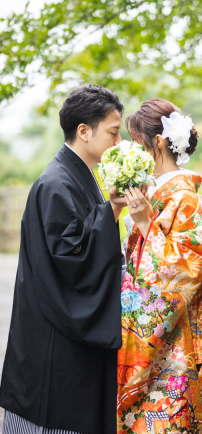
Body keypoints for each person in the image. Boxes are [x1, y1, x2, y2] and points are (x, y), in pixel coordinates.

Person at [117, 98, 202, 434]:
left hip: (180, 352)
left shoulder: (183, 201)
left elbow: (177, 276)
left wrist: (146, 225)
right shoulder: (170, 198)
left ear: (158, 143)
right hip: (184, 345)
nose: (132, 152)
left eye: (137, 143)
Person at [0, 85, 128, 434]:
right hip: (54, 333)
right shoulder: (56, 183)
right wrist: (112, 210)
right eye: (113, 133)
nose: (118, 143)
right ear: (84, 131)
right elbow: (72, 256)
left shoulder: (78, 176)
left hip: (61, 324)